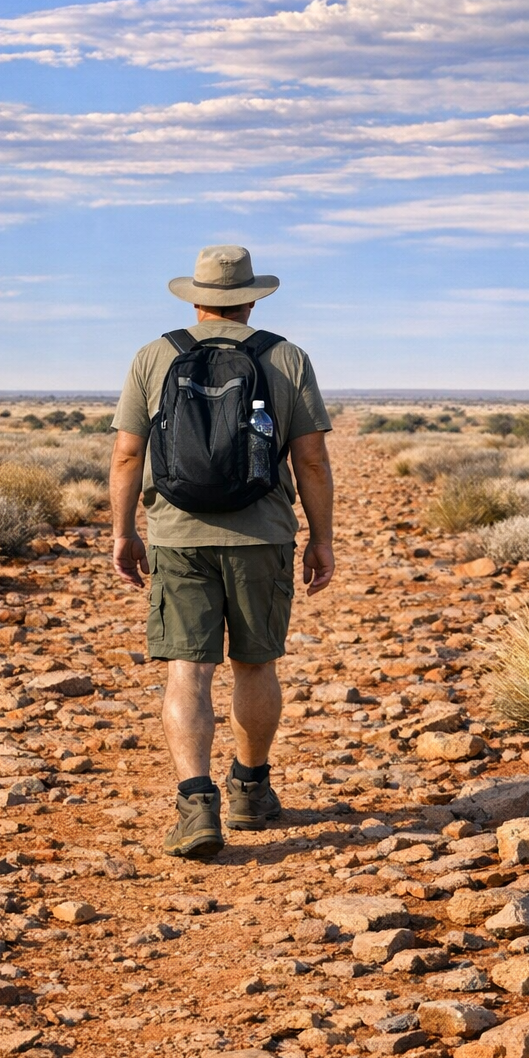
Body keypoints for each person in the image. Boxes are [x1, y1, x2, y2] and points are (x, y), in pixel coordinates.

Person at [110, 244, 335, 859]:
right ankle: (250, 792)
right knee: (255, 664)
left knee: (188, 668)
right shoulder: (285, 357)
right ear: (252, 300)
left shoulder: (154, 356)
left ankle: (195, 806)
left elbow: (127, 453)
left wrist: (124, 531)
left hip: (178, 536)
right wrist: (321, 538)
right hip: (262, 535)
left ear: (196, 299)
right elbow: (311, 459)